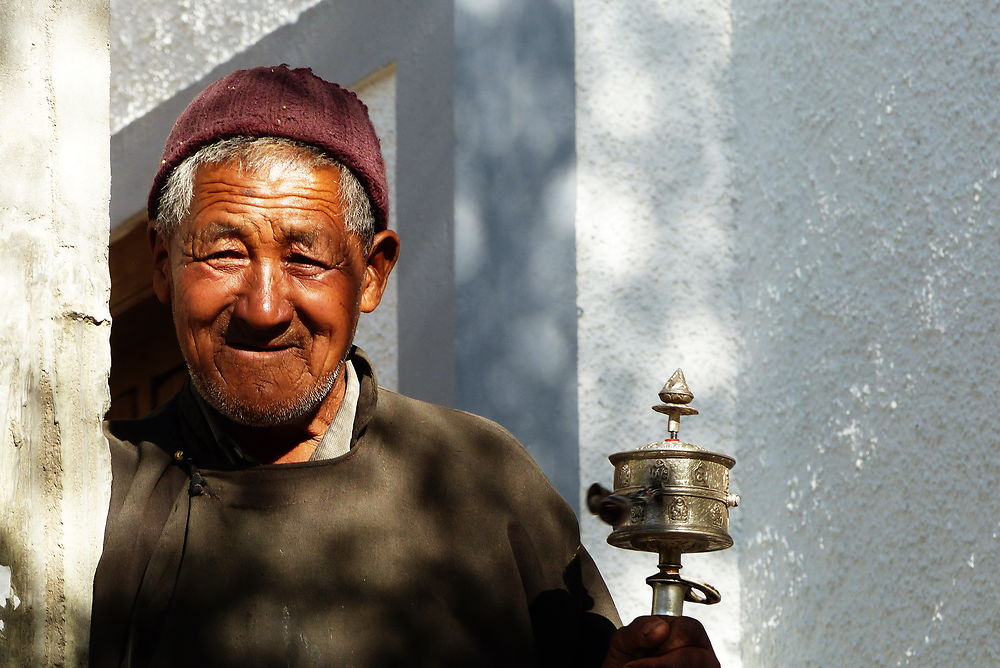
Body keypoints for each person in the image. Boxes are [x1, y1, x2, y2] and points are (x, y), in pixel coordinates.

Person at [89, 65, 720, 667]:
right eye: (225, 252)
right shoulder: (95, 500)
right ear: (164, 265)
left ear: (371, 274)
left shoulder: (481, 481)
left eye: (306, 259)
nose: (263, 307)